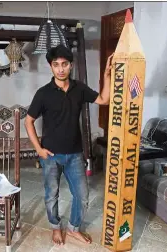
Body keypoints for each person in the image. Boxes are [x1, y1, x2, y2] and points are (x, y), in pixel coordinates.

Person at [24, 44, 113, 246]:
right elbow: (28, 121)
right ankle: (56, 227)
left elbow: (104, 99)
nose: (61, 69)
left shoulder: (79, 89)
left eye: (64, 64)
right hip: (50, 155)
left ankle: (73, 229)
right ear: (51, 67)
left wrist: (107, 75)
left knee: (82, 196)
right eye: (56, 65)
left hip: (74, 154)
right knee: (51, 195)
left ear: (70, 66)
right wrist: (38, 149)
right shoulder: (44, 93)